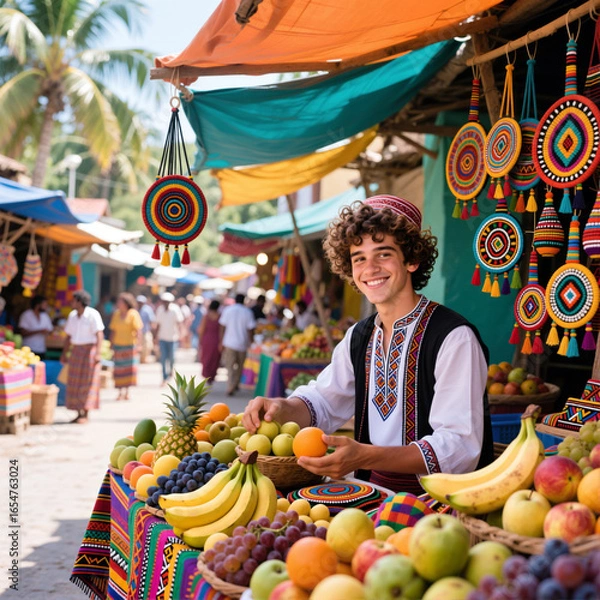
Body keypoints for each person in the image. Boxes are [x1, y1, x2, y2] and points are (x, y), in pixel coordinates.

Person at [243, 195, 493, 494]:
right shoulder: (359, 337)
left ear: (412, 259)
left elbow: (460, 447)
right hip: (368, 498)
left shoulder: (454, 337)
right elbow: (323, 402)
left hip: (440, 508)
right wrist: (280, 408)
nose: (370, 268)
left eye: (383, 254)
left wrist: (367, 455)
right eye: (359, 258)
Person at [61, 289, 105, 424]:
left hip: (89, 351)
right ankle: (78, 412)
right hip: (76, 351)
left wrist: (98, 353)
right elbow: (68, 336)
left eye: (74, 300)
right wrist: (65, 353)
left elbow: (99, 335)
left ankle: (86, 413)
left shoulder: (93, 314)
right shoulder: (72, 316)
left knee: (87, 381)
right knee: (74, 382)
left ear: (80, 302)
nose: (71, 302)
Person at [219, 293, 256, 396]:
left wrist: (221, 341)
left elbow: (222, 326)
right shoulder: (247, 312)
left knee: (230, 365)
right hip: (242, 343)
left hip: (229, 342)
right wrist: (251, 341)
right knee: (240, 366)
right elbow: (250, 329)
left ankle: (231, 386)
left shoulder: (228, 310)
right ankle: (234, 384)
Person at [109, 292, 143, 401]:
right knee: (118, 370)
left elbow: (138, 331)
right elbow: (113, 330)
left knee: (128, 370)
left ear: (126, 303)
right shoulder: (116, 314)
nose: (118, 304)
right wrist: (111, 343)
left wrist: (138, 345)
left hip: (129, 346)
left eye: (120, 302)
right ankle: (119, 392)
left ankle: (127, 392)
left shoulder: (133, 314)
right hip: (118, 346)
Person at [155, 292, 184, 385]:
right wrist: (156, 336)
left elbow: (179, 323)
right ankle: (164, 377)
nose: (165, 303)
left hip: (173, 338)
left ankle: (171, 370)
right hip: (162, 338)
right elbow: (158, 324)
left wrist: (181, 334)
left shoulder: (175, 310)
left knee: (171, 358)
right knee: (163, 358)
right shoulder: (160, 310)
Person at [18, 295, 54, 360]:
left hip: (41, 349)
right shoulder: (26, 315)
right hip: (28, 350)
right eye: (45, 305)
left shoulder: (45, 316)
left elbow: (50, 330)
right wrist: (39, 331)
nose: (46, 307)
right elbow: (23, 333)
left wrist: (47, 332)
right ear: (38, 305)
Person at [198, 299, 222, 384]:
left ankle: (207, 376)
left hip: (207, 340)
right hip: (216, 340)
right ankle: (210, 376)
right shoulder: (220, 316)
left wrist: (200, 341)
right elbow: (222, 331)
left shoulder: (206, 316)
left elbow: (201, 330)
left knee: (206, 358)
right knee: (214, 359)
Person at [136, 295, 156, 363]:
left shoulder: (147, 309)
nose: (139, 303)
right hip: (136, 332)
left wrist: (153, 332)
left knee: (146, 346)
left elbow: (151, 321)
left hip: (145, 331)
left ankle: (143, 359)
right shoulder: (135, 309)